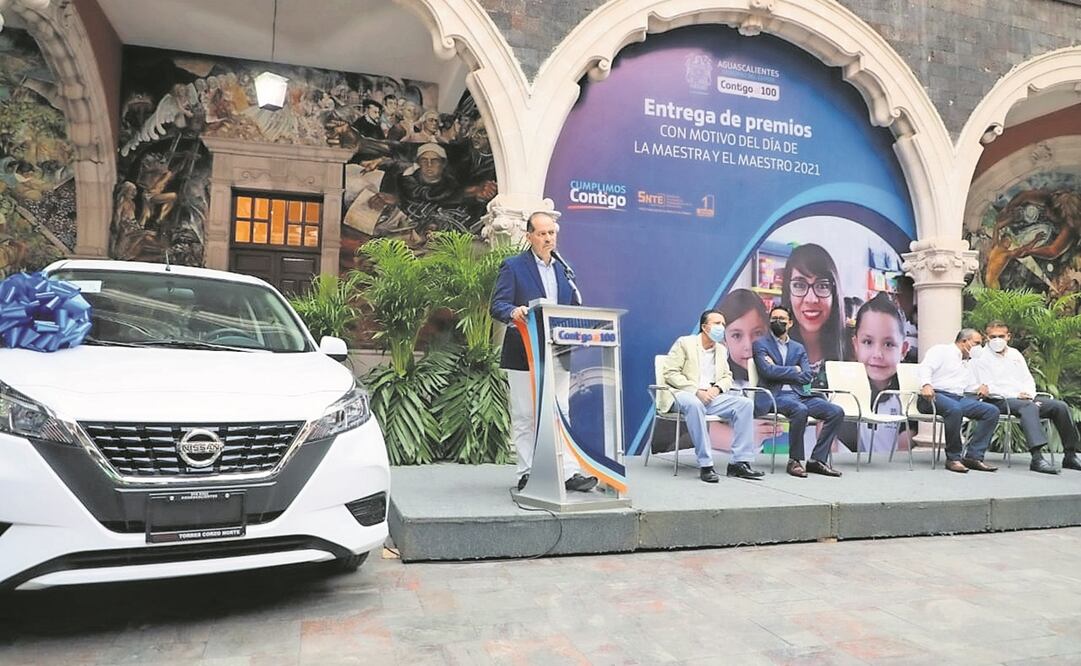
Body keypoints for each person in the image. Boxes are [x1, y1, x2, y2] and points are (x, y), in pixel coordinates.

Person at [490, 210, 597, 493]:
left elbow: (572, 308)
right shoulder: (513, 266)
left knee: (562, 411)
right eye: (542, 233)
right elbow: (497, 305)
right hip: (523, 351)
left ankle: (569, 472)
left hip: (558, 351)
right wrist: (515, 311)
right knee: (526, 414)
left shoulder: (564, 270)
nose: (548, 238)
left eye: (551, 233)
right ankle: (527, 471)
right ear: (529, 237)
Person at [658, 309, 762, 483]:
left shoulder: (721, 350)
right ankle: (706, 464)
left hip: (711, 396)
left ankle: (739, 463)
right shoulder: (685, 343)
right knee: (695, 404)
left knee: (745, 404)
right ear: (705, 327)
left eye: (723, 324)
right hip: (683, 395)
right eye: (717, 323)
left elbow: (727, 376)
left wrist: (718, 388)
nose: (721, 327)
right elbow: (670, 373)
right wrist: (696, 391)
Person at [974, 320, 1081, 474]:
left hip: (1025, 399)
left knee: (1060, 407)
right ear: (986, 337)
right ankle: (1037, 458)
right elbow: (987, 386)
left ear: (1008, 336)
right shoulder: (982, 357)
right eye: (992, 336)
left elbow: (1027, 378)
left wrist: (1029, 395)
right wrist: (1017, 396)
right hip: (998, 401)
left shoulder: (1015, 354)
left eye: (1001, 336)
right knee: (1028, 407)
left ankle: (1070, 456)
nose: (997, 340)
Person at [752, 305, 845, 478]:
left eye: (782, 319)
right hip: (774, 396)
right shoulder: (760, 344)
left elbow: (807, 376)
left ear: (790, 323)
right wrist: (794, 370)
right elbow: (767, 372)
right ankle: (794, 460)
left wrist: (781, 370)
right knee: (799, 410)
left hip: (800, 395)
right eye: (774, 319)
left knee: (836, 411)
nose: (777, 322)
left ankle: (817, 460)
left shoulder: (798, 348)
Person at [917, 329, 1000, 473]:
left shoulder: (968, 361)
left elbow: (966, 385)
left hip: (957, 397)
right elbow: (925, 367)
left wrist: (981, 387)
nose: (979, 348)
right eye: (976, 343)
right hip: (932, 396)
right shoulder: (941, 351)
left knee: (991, 411)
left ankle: (974, 456)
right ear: (964, 341)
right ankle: (953, 458)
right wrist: (926, 384)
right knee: (955, 409)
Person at [841, 293, 910, 454]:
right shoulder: (845, 391)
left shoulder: (908, 393)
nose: (877, 354)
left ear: (904, 349)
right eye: (867, 342)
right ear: (855, 344)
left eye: (888, 344)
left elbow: (904, 450)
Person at [780, 243, 852, 366]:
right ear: (788, 292)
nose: (811, 299)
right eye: (799, 285)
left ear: (834, 293)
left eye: (822, 286)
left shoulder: (855, 348)